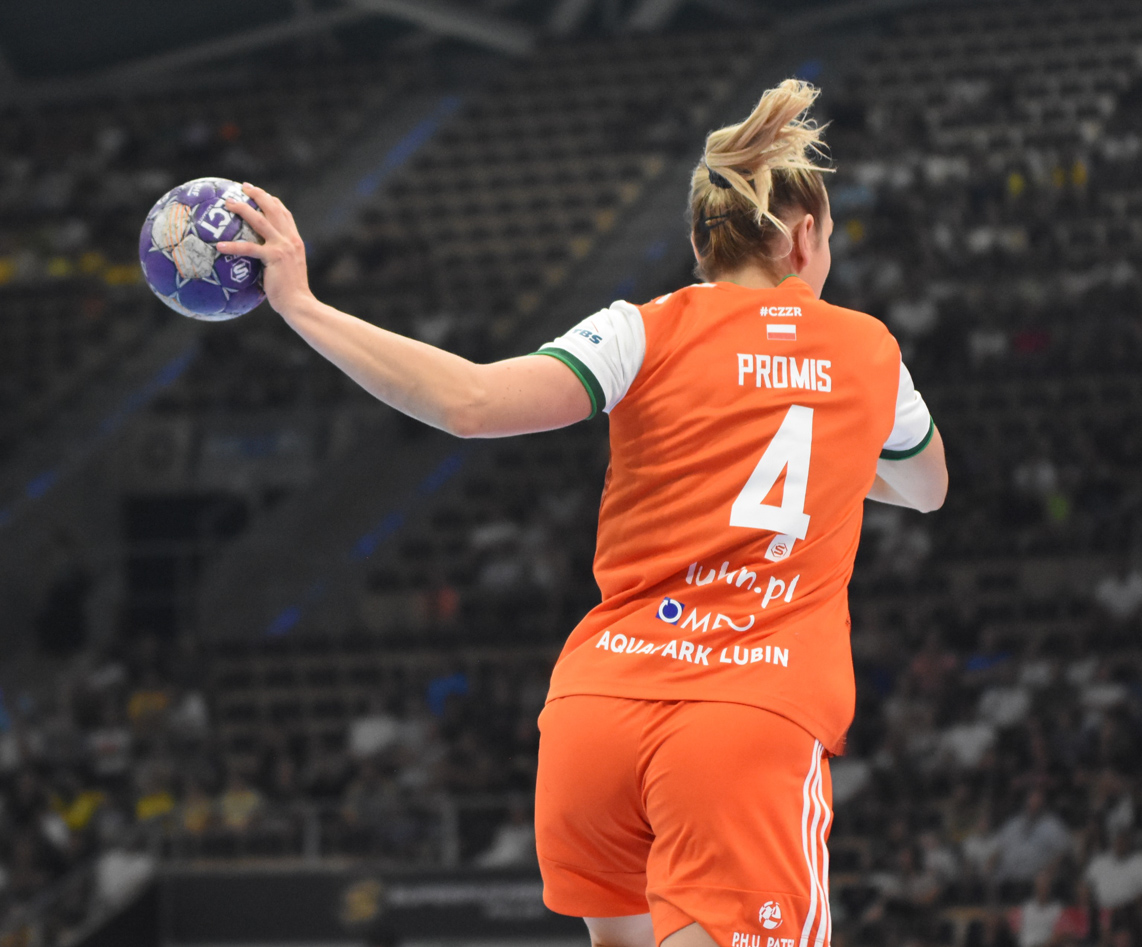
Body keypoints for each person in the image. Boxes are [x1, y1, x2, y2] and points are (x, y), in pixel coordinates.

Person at [216, 79, 946, 947]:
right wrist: (827, 442)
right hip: (746, 714)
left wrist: (301, 304)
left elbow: (469, 402)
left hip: (597, 710)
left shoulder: (642, 329)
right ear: (805, 236)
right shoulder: (865, 349)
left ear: (698, 243)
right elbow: (926, 486)